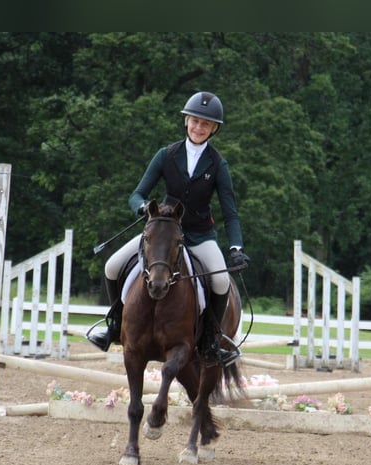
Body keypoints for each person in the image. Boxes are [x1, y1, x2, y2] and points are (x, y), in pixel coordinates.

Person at [88, 91, 250, 366]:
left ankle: (211, 340)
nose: (199, 128)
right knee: (112, 266)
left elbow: (230, 212)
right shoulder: (166, 155)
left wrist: (236, 247)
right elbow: (137, 194)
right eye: (195, 121)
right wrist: (143, 209)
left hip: (198, 235)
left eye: (206, 124)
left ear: (214, 129)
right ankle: (115, 325)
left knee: (221, 281)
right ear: (186, 121)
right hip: (162, 233)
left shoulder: (218, 164)